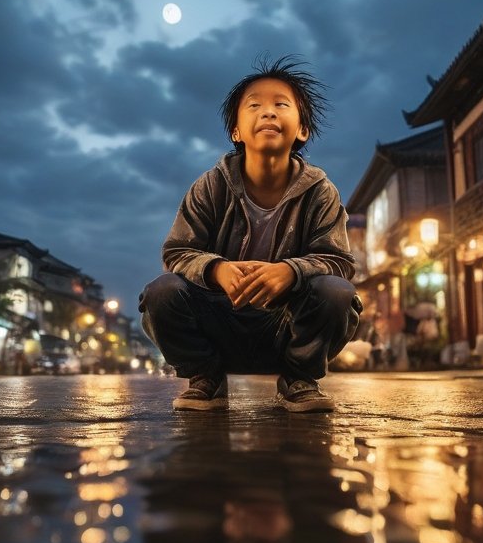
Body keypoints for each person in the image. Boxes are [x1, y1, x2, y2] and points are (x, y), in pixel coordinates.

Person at [139, 56, 361, 413]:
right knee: (161, 294)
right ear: (236, 132)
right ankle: (206, 378)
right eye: (255, 105)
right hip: (219, 323)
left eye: (281, 105)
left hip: (287, 330)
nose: (268, 113)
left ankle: (298, 378)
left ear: (302, 129)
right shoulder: (210, 186)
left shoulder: (320, 191)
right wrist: (217, 270)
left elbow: (338, 261)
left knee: (337, 293)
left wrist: (291, 272)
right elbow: (177, 252)